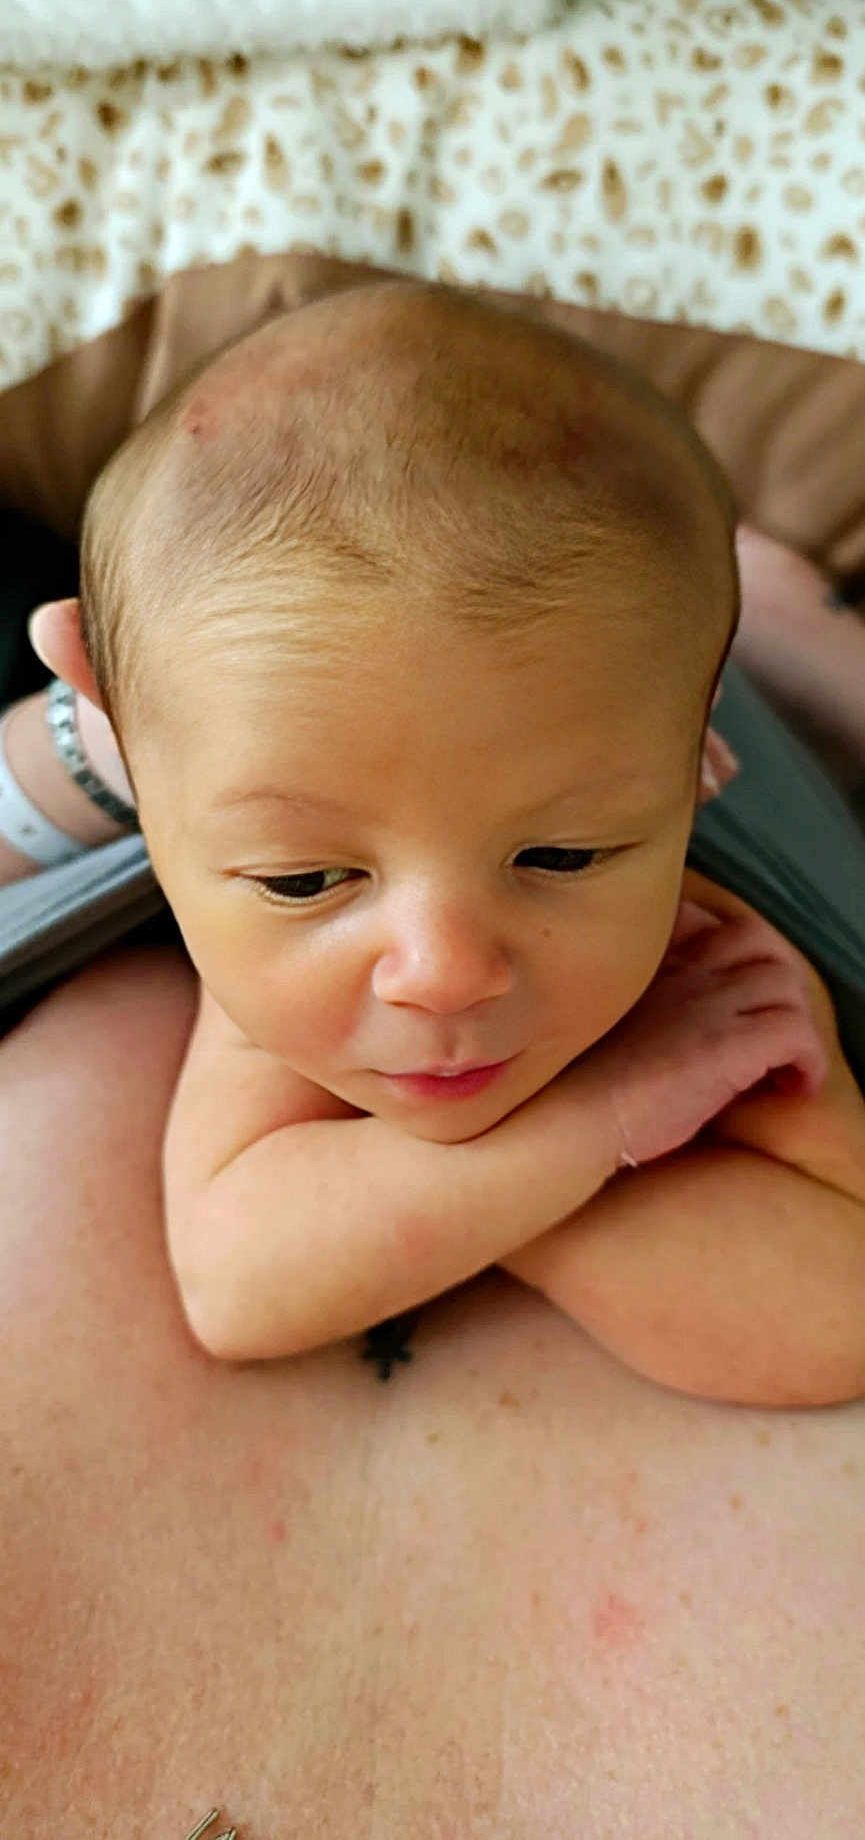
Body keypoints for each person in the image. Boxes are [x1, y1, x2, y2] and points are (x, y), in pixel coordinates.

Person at [4, 277, 865, 1833]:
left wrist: (436, 1187)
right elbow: (243, 1285)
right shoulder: (255, 966)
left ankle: (779, 647)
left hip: (730, 741)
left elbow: (837, 1309)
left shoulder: (718, 960)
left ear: (679, 778)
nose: (444, 973)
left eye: (562, 858)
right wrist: (591, 1124)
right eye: (304, 884)